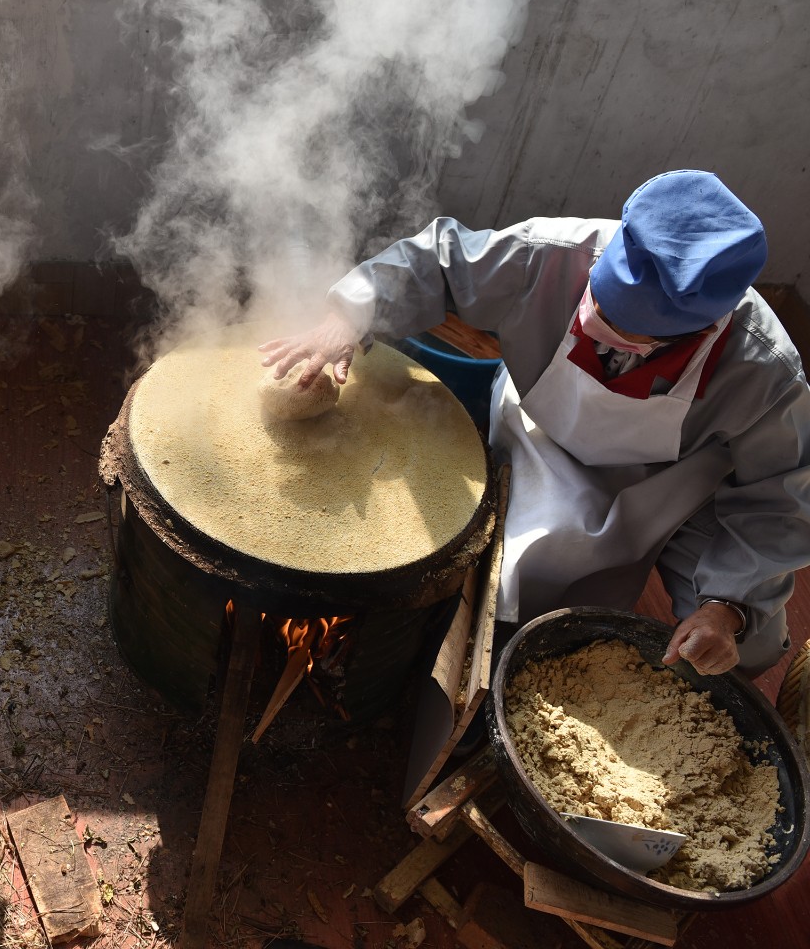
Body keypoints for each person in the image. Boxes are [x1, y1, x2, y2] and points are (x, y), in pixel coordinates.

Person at [259, 170, 810, 678]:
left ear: (698, 330)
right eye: (599, 302)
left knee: (747, 645)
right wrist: (347, 315)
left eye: (623, 334)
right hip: (541, 431)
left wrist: (725, 607)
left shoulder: (765, 370)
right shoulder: (552, 253)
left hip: (676, 483)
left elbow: (780, 497)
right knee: (518, 581)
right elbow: (438, 261)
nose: (598, 325)